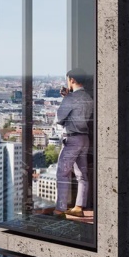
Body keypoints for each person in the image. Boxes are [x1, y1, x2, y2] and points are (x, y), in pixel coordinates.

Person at [52, 68, 94, 217]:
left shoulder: (70, 99)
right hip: (84, 139)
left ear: (72, 80)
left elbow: (59, 118)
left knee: (62, 174)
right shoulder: (89, 98)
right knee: (82, 175)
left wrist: (66, 99)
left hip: (72, 139)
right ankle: (79, 207)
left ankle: (60, 209)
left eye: (67, 80)